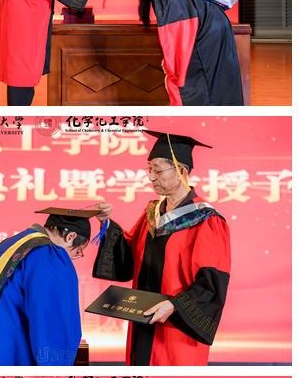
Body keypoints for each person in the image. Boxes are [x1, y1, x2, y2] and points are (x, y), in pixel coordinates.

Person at [91, 131, 231, 365]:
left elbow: (211, 283)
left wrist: (175, 306)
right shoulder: (153, 212)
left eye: (158, 171)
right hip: (143, 320)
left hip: (176, 327)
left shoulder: (206, 220)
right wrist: (106, 223)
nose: (151, 177)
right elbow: (131, 253)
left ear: (181, 171)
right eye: (149, 170)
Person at [0, 207, 98, 365]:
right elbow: (50, 314)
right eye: (78, 250)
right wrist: (55, 364)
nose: (74, 257)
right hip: (13, 351)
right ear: (71, 236)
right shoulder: (47, 255)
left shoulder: (12, 244)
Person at [105, 0, 244, 105]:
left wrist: (173, 68)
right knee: (217, 85)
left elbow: (180, 32)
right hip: (211, 31)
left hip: (204, 38)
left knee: (197, 85)